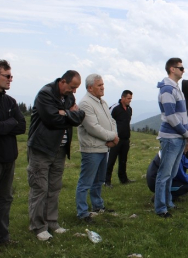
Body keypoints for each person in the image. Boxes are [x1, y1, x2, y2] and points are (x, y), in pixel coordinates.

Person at [27, 70, 85, 241]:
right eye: (72, 87)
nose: (74, 92)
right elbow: (52, 120)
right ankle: (38, 226)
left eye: (76, 89)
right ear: (63, 82)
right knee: (40, 188)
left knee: (54, 187)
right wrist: (70, 114)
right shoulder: (45, 94)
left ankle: (52, 222)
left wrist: (65, 113)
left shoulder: (69, 98)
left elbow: (80, 116)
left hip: (59, 150)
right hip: (42, 148)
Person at [75, 74, 119, 223]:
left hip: (103, 147)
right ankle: (82, 213)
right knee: (85, 182)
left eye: (103, 84)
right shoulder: (85, 104)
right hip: (92, 148)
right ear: (90, 87)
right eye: (99, 85)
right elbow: (93, 128)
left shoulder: (102, 102)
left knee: (99, 180)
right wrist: (112, 136)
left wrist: (113, 137)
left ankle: (97, 206)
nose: (102, 87)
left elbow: (111, 120)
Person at [155, 58, 188, 218]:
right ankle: (161, 208)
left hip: (179, 136)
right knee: (164, 174)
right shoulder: (167, 90)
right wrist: (185, 133)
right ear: (172, 69)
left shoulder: (175, 88)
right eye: (181, 68)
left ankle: (168, 202)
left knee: (171, 173)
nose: (183, 70)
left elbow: (182, 115)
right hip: (171, 137)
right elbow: (170, 116)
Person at [0, 60, 26, 246]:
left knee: (6, 198)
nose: (10, 79)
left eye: (11, 76)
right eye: (7, 76)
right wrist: (11, 123)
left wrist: (6, 125)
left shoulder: (10, 101)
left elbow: (22, 126)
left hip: (9, 157)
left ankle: (3, 237)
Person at [105, 90, 134, 187]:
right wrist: (110, 136)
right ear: (123, 98)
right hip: (115, 139)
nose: (130, 100)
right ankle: (107, 181)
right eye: (128, 98)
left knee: (123, 160)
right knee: (111, 160)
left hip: (125, 139)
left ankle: (123, 179)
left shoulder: (130, 109)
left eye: (131, 99)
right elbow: (107, 120)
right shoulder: (115, 108)